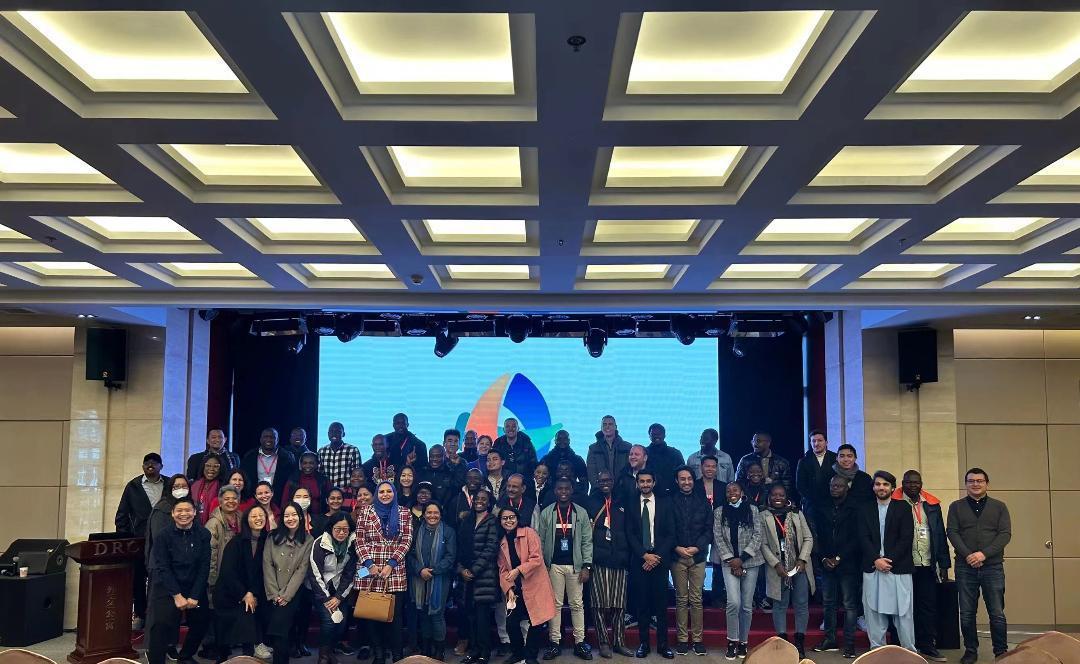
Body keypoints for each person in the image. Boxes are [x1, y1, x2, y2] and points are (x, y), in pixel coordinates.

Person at [947, 468, 1011, 664]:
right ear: (966, 484)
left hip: (993, 567)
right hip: (965, 567)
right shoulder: (956, 507)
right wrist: (969, 555)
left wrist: (984, 554)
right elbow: (952, 532)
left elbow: (1005, 534)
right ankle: (970, 651)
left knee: (997, 613)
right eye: (971, 481)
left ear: (986, 484)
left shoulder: (999, 507)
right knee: (967, 613)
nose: (975, 484)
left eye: (979, 481)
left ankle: (1001, 652)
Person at [146, 496, 211, 664]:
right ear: (173, 514)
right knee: (160, 624)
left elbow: (204, 566)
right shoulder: (163, 536)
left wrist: (195, 595)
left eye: (188, 510)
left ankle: (185, 656)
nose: (184, 514)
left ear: (194, 512)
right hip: (167, 586)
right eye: (179, 511)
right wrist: (177, 595)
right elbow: (163, 567)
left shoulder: (204, 534)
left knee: (202, 621)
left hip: (193, 585)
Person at [354, 481, 414, 664]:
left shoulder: (404, 512)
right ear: (376, 494)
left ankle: (397, 656)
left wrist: (391, 564)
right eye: (381, 492)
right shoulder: (365, 512)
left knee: (395, 617)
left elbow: (406, 540)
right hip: (368, 569)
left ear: (394, 493)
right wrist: (369, 564)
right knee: (371, 615)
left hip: (394, 569)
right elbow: (359, 541)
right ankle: (379, 655)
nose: (385, 494)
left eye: (389, 491)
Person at [893, 470, 950, 661]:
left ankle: (927, 645)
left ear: (921, 484)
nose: (912, 485)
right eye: (908, 482)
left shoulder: (931, 504)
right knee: (902, 608)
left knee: (927, 607)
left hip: (926, 563)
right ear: (902, 484)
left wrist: (944, 563)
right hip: (902, 565)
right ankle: (900, 647)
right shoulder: (894, 503)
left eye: (916, 482)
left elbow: (940, 535)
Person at [536, 478, 593, 661]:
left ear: (571, 490)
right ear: (555, 491)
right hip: (553, 566)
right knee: (555, 605)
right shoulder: (547, 512)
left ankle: (579, 642)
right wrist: (543, 565)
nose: (563, 492)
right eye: (560, 488)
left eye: (566, 488)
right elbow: (540, 540)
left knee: (577, 604)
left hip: (576, 566)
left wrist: (586, 565)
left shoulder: (580, 512)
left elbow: (587, 541)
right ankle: (554, 643)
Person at [859, 471, 915, 652]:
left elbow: (906, 538)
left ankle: (909, 653)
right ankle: (877, 652)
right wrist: (876, 559)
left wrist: (888, 561)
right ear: (873, 487)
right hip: (873, 567)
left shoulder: (903, 507)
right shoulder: (865, 508)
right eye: (877, 484)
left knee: (904, 614)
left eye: (885, 484)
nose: (881, 487)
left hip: (898, 568)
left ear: (892, 488)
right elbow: (862, 537)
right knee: (873, 613)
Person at [760, 484, 815, 658]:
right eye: (774, 495)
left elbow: (808, 538)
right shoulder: (763, 515)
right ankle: (782, 642)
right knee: (780, 604)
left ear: (787, 497)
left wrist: (802, 559)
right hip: (778, 568)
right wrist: (776, 564)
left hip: (799, 566)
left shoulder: (797, 513)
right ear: (769, 497)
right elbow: (762, 544)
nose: (778, 498)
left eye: (782, 495)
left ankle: (799, 642)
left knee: (801, 604)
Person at [625, 468, 675, 659]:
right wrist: (644, 555)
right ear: (637, 483)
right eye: (642, 481)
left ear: (654, 483)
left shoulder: (665, 502)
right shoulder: (631, 503)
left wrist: (656, 557)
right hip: (640, 561)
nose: (645, 484)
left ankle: (663, 645)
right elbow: (630, 533)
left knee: (661, 605)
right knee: (642, 605)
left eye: (648, 481)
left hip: (660, 561)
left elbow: (671, 534)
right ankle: (644, 644)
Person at [811, 475, 861, 658]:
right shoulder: (822, 506)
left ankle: (849, 644)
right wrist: (824, 558)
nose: (835, 488)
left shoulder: (855, 508)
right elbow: (817, 535)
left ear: (847, 488)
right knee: (828, 603)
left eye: (839, 486)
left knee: (849, 604)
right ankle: (830, 640)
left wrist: (839, 558)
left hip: (848, 563)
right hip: (827, 563)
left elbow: (857, 537)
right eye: (833, 485)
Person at [499, 506, 557, 664]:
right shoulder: (502, 541)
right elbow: (502, 569)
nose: (509, 521)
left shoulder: (529, 533)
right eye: (505, 518)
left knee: (536, 622)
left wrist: (518, 570)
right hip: (516, 588)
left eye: (512, 517)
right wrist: (508, 588)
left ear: (517, 518)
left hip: (535, 585)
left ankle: (531, 656)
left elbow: (536, 558)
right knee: (511, 623)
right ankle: (518, 653)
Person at [714, 481, 764, 660]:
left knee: (746, 606)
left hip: (750, 562)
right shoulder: (719, 511)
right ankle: (731, 641)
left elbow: (758, 535)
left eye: (735, 489)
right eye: (728, 491)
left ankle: (743, 642)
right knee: (734, 602)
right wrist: (732, 561)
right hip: (729, 562)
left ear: (742, 492)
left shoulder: (753, 509)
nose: (731, 493)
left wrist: (741, 559)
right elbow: (718, 538)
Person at [585, 470, 633, 659]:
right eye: (602, 480)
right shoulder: (591, 502)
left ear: (613, 481)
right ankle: (603, 642)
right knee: (599, 604)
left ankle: (619, 642)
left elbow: (630, 530)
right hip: (599, 559)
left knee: (619, 605)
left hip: (620, 559)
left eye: (608, 480)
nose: (605, 483)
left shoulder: (622, 502)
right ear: (597, 482)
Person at [116, 452, 164, 630]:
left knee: (160, 577)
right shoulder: (133, 486)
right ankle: (140, 614)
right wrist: (126, 539)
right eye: (147, 463)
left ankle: (158, 614)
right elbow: (122, 515)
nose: (150, 465)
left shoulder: (168, 484)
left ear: (161, 466)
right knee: (138, 579)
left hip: (164, 541)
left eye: (154, 462)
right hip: (139, 541)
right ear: (143, 466)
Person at [215, 505, 270, 661]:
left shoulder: (267, 541)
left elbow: (261, 572)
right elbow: (228, 572)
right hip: (230, 593)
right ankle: (223, 657)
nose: (258, 518)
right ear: (247, 520)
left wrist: (252, 592)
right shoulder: (236, 542)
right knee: (242, 614)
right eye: (254, 516)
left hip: (252, 592)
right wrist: (244, 594)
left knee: (251, 614)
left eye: (261, 515)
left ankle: (249, 655)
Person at [263, 502, 314, 664]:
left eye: (294, 515)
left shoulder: (308, 539)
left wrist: (286, 595)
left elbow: (302, 569)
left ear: (300, 517)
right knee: (281, 631)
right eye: (286, 515)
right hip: (272, 590)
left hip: (292, 592)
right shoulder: (272, 536)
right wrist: (274, 593)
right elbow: (267, 564)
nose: (290, 518)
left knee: (280, 630)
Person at [670, 466, 712, 655]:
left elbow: (709, 529)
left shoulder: (703, 502)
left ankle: (697, 639)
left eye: (689, 479)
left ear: (693, 481)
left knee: (696, 599)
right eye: (682, 479)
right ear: (677, 481)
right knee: (681, 599)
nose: (686, 482)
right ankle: (681, 639)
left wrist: (697, 547)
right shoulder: (670, 501)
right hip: (677, 556)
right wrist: (676, 547)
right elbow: (666, 528)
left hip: (698, 556)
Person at [408, 502, 457, 660]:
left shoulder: (448, 532)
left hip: (440, 579)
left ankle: (439, 651)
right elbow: (409, 555)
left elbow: (450, 557)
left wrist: (433, 571)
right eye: (429, 512)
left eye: (436, 513)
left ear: (441, 514)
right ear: (423, 514)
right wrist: (420, 570)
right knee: (423, 613)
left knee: (436, 614)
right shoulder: (416, 531)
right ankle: (426, 649)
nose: (432, 516)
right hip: (419, 578)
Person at [456, 488, 500, 664]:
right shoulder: (466, 520)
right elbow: (459, 547)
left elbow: (491, 548)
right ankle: (474, 651)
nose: (479, 501)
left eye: (483, 499)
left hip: (484, 577)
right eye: (477, 499)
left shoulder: (492, 521)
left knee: (482, 619)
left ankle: (484, 653)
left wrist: (473, 570)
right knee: (470, 617)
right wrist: (461, 570)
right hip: (466, 578)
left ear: (489, 502)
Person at [308, 512, 358, 664]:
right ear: (331, 528)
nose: (341, 533)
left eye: (345, 529)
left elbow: (350, 573)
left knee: (341, 623)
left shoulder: (353, 544)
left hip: (340, 590)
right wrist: (326, 599)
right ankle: (323, 656)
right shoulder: (320, 543)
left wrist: (338, 597)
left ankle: (330, 651)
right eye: (338, 529)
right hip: (321, 590)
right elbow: (315, 574)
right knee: (329, 621)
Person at [206, 486, 243, 659]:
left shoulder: (241, 518)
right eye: (227, 498)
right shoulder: (213, 523)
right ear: (220, 501)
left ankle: (228, 646)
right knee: (217, 614)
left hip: (236, 576)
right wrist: (213, 580)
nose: (231, 501)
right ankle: (215, 649)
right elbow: (210, 555)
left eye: (234, 498)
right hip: (219, 577)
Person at [693, 455, 728, 608]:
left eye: (713, 466)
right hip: (699, 529)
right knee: (699, 562)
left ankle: (717, 596)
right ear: (701, 467)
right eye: (707, 466)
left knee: (718, 564)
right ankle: (698, 595)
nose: (710, 469)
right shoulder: (694, 485)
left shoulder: (723, 486)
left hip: (719, 529)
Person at [146, 474, 190, 573]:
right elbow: (158, 539)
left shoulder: (191, 507)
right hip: (162, 565)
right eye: (176, 487)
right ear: (170, 489)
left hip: (185, 565)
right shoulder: (162, 508)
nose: (181, 489)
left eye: (184, 486)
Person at [242, 428, 298, 500]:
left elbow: (292, 480)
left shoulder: (287, 457)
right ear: (260, 439)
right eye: (266, 437)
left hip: (278, 499)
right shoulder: (249, 456)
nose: (269, 439)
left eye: (272, 437)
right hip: (254, 498)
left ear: (277, 440)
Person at [795, 429, 836, 520]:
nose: (816, 443)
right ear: (810, 443)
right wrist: (813, 499)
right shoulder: (803, 461)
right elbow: (800, 485)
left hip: (831, 505)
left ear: (826, 442)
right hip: (811, 505)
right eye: (814, 441)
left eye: (820, 440)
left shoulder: (835, 458)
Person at [586, 415, 631, 495]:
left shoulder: (627, 447)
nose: (607, 426)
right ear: (601, 427)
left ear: (615, 427)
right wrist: (600, 488)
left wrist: (624, 486)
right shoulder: (593, 448)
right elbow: (591, 472)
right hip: (599, 492)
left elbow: (629, 470)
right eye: (604, 424)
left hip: (622, 492)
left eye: (610, 424)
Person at [318, 422, 362, 491]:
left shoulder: (352, 450)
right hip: (327, 493)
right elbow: (319, 474)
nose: (334, 434)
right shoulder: (322, 451)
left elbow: (357, 475)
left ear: (343, 434)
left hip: (346, 493)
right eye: (331, 431)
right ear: (328, 434)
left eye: (337, 431)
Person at [645, 424, 686, 496]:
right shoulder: (644, 453)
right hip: (648, 494)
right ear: (649, 436)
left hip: (672, 495)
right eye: (654, 434)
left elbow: (683, 473)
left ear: (664, 435)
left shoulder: (675, 453)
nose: (656, 436)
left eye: (659, 434)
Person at [421, 442, 457, 508]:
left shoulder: (450, 473)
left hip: (445, 511)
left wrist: (459, 465)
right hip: (425, 511)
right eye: (432, 456)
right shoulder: (422, 473)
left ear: (444, 457)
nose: (434, 459)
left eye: (438, 456)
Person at [192, 454, 224, 525]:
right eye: (208, 465)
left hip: (214, 526)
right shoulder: (194, 485)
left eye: (216, 466)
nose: (211, 469)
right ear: (203, 467)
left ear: (221, 469)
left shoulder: (223, 488)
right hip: (193, 525)